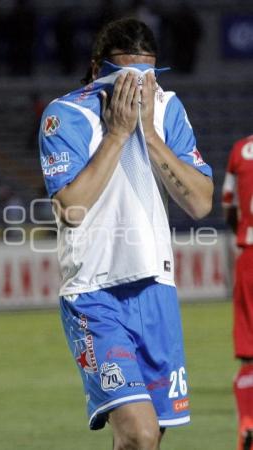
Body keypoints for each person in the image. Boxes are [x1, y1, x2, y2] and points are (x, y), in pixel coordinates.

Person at [39, 18, 213, 450]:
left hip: (156, 288)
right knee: (138, 433)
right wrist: (118, 134)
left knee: (149, 439)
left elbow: (200, 202)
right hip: (94, 291)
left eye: (147, 76)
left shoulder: (167, 107)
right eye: (124, 77)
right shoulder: (66, 116)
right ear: (98, 68)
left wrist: (149, 135)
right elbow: (70, 209)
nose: (137, 87)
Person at [222, 135, 253, 450]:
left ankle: (248, 420)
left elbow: (227, 202)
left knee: (249, 354)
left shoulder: (240, 150)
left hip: (250, 255)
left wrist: (241, 232)